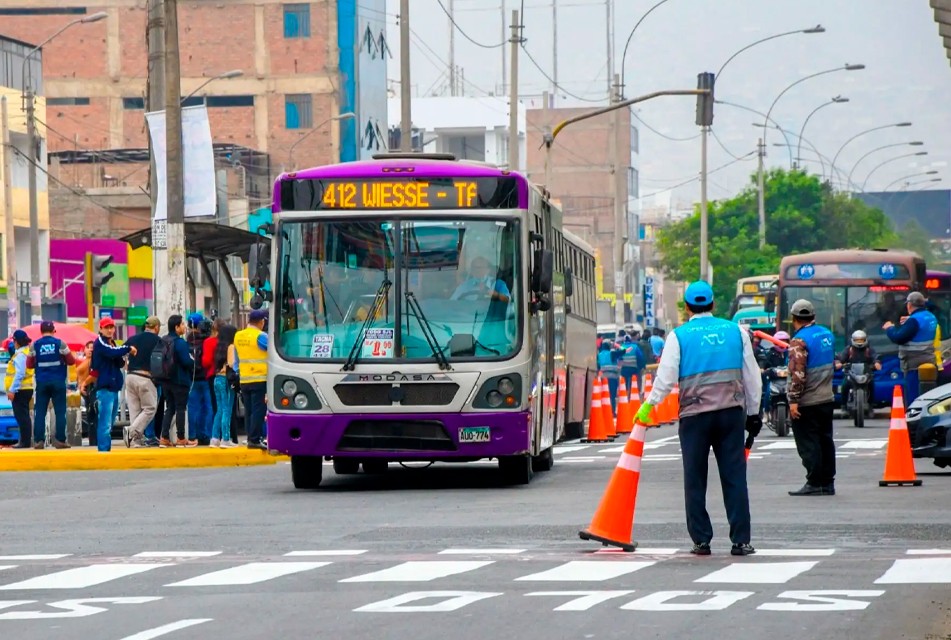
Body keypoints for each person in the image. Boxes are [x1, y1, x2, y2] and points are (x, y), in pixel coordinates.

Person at [636, 281, 762, 556]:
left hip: (694, 418)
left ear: (687, 307)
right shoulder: (736, 331)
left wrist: (649, 406)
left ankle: (701, 540)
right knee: (735, 477)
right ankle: (741, 540)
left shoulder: (679, 336)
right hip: (731, 415)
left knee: (695, 478)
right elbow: (752, 375)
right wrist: (754, 413)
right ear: (713, 304)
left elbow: (666, 378)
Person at [786, 299, 837, 496]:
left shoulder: (799, 341)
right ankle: (827, 482)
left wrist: (793, 401)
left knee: (809, 443)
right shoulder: (827, 334)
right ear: (813, 316)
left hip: (808, 401)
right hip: (826, 397)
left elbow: (798, 374)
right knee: (826, 440)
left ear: (794, 318)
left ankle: (814, 482)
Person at [26, 321, 77, 449]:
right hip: (58, 382)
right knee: (60, 412)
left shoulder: (35, 345)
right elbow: (71, 361)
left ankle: (39, 441)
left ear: (41, 331)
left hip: (42, 383)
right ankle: (60, 440)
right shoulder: (60, 343)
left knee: (40, 412)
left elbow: (29, 364)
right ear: (54, 330)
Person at [884, 291, 938, 406]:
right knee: (927, 395)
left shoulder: (914, 320)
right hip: (929, 361)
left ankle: (913, 420)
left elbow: (898, 338)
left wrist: (890, 328)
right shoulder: (930, 316)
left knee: (913, 397)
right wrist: (910, 320)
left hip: (914, 364)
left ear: (909, 305)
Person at [91, 317, 135, 452]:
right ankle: (103, 451)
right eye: (107, 328)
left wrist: (122, 354)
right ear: (101, 329)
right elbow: (110, 353)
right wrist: (128, 348)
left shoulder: (112, 343)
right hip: (105, 388)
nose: (110, 330)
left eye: (112, 327)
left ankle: (106, 450)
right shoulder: (100, 343)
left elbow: (119, 362)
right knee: (105, 423)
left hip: (114, 387)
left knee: (109, 423)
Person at [123, 316, 162, 448]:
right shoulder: (158, 340)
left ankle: (135, 441)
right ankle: (131, 431)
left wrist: (127, 366)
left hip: (130, 377)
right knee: (150, 408)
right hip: (145, 377)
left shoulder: (133, 338)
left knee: (135, 410)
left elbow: (122, 352)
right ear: (156, 327)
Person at [159, 314, 196, 448]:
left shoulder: (163, 340)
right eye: (182, 324)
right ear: (176, 327)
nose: (184, 327)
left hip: (165, 380)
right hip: (180, 380)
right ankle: (181, 438)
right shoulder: (180, 342)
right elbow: (186, 361)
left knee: (170, 408)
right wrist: (193, 362)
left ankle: (164, 437)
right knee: (181, 408)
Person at [235, 309, 269, 450]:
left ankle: (251, 438)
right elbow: (273, 352)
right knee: (258, 411)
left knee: (249, 411)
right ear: (262, 322)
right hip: (259, 379)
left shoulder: (238, 336)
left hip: (244, 379)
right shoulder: (261, 336)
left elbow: (236, 360)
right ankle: (255, 439)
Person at [835, 330, 882, 408]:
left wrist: (877, 363)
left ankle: (870, 405)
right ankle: (843, 405)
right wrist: (838, 363)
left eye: (861, 340)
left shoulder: (868, 349)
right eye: (857, 340)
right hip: (851, 372)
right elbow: (841, 357)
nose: (859, 342)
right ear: (853, 340)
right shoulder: (849, 350)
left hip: (865, 373)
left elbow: (875, 357)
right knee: (845, 385)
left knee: (871, 384)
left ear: (865, 340)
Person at [186, 313, 213, 445]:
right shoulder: (207, 341)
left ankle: (192, 435)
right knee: (208, 407)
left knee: (193, 407)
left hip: (191, 379)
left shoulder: (186, 341)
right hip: (206, 377)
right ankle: (206, 435)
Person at [5, 330, 34, 449]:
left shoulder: (21, 354)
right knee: (23, 416)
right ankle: (24, 440)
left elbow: (20, 373)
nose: (13, 342)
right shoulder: (26, 351)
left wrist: (12, 390)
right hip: (25, 388)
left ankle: (25, 442)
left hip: (20, 390)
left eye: (14, 340)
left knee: (21, 417)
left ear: (17, 341)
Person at [211, 324, 238, 448]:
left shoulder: (218, 346)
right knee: (227, 409)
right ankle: (225, 438)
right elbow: (232, 364)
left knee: (220, 409)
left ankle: (215, 438)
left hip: (217, 379)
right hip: (226, 380)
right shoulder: (231, 347)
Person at [757, 331, 789, 415]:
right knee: (767, 392)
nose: (782, 343)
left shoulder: (789, 353)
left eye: (785, 341)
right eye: (780, 341)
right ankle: (766, 412)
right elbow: (764, 364)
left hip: (788, 380)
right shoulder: (770, 353)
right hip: (773, 379)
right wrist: (763, 369)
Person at [76, 341, 97, 447]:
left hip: (93, 388)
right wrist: (80, 385)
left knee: (94, 416)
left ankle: (95, 441)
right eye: (89, 348)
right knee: (90, 417)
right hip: (86, 390)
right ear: (84, 349)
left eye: (93, 348)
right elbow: (79, 377)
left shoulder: (95, 362)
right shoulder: (83, 362)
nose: (91, 350)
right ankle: (93, 441)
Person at [618, 334, 646, 400]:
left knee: (625, 385)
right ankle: (634, 396)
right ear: (630, 340)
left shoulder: (622, 347)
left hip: (624, 369)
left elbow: (619, 358)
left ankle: (626, 396)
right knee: (634, 383)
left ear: (624, 340)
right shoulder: (635, 347)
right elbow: (640, 357)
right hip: (634, 369)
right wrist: (642, 366)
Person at [597, 339, 621, 413]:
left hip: (603, 378)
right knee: (612, 396)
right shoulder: (612, 353)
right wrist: (616, 345)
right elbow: (623, 349)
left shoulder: (599, 355)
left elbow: (598, 367)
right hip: (613, 378)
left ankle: (604, 412)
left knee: (604, 396)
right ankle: (612, 412)